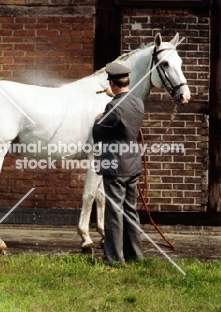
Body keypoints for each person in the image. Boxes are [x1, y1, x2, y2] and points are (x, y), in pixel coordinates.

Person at [93, 62, 144, 266]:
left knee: (114, 213)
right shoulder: (139, 103)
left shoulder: (112, 107)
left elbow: (98, 132)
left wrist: (98, 117)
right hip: (132, 165)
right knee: (130, 210)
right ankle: (135, 256)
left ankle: (114, 259)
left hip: (115, 167)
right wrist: (112, 96)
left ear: (112, 83)